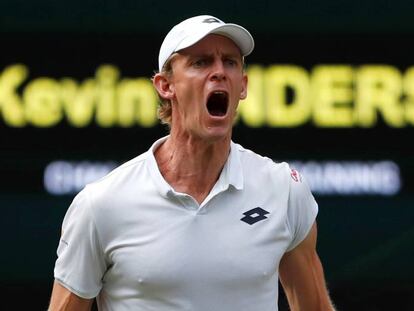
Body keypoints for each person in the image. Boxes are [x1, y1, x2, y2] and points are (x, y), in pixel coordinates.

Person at [49, 15, 336, 311]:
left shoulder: (284, 189)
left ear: (243, 86)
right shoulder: (100, 204)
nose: (219, 72)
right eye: (200, 62)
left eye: (230, 62)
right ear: (165, 85)